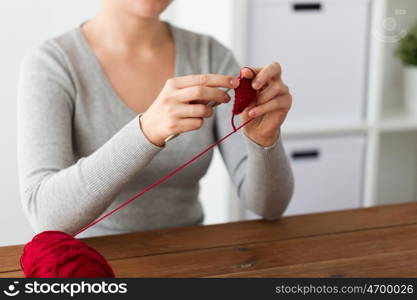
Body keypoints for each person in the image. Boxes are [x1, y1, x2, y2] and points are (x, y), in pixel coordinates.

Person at [17, 0, 294, 238]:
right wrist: (145, 132)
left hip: (193, 263)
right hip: (93, 270)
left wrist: (264, 141)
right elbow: (44, 215)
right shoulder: (51, 64)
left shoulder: (211, 56)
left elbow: (269, 207)